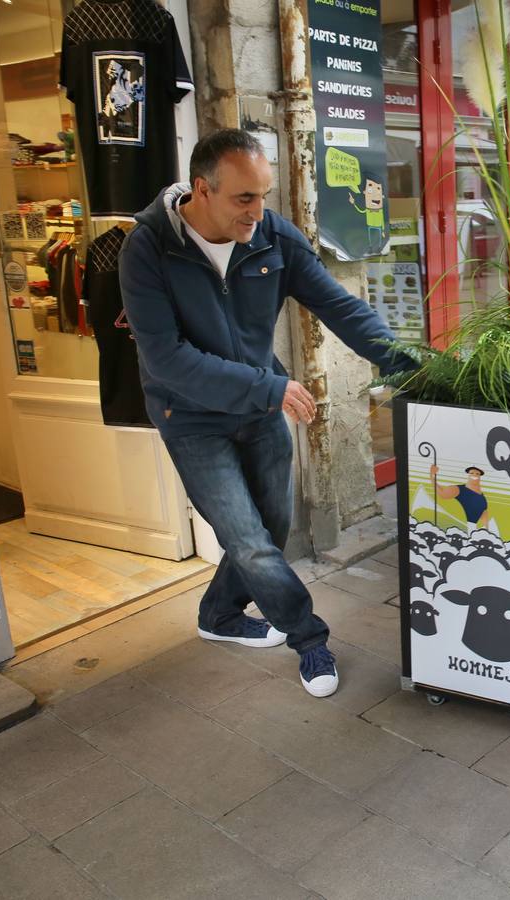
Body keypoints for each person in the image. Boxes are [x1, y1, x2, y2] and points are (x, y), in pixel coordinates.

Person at [119, 129, 410, 698]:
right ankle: (309, 639)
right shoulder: (148, 248)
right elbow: (167, 359)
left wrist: (409, 365)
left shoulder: (271, 236)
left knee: (271, 525)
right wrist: (268, 387)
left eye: (264, 196)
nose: (258, 212)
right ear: (201, 190)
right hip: (191, 415)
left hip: (257, 405)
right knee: (248, 539)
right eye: (243, 199)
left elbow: (338, 305)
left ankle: (220, 614)